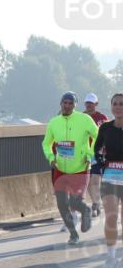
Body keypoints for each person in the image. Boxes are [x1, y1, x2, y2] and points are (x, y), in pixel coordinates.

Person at [41, 92, 99, 245]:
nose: (67, 106)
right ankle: (73, 234)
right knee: (62, 205)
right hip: (60, 170)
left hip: (80, 168)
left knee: (74, 202)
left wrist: (89, 154)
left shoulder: (84, 119)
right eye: (64, 103)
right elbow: (46, 143)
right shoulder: (54, 122)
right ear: (60, 104)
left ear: (75, 105)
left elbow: (97, 136)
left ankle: (86, 210)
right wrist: (51, 157)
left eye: (70, 103)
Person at [95, 93, 123, 268]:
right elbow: (96, 149)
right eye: (115, 104)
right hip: (111, 176)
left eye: (121, 104)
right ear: (111, 106)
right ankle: (111, 257)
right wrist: (99, 160)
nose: (118, 107)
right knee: (111, 217)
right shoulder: (105, 127)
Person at [83, 93, 110, 217]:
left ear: (96, 104)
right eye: (87, 103)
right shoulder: (81, 117)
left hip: (97, 153)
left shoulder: (102, 117)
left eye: (91, 103)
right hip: (84, 153)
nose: (89, 105)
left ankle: (95, 205)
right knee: (88, 181)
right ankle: (96, 203)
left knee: (95, 179)